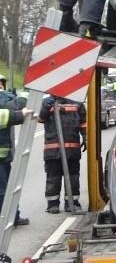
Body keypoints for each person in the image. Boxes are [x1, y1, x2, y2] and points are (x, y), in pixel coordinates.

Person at [39, 94, 87, 213]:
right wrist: (46, 106)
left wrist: (86, 137)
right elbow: (41, 119)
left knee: (73, 177)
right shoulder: (47, 102)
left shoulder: (77, 102)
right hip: (53, 150)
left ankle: (72, 202)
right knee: (53, 177)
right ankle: (52, 204)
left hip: (72, 149)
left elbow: (84, 123)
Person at [0, 74, 32, 227]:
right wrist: (20, 113)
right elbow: (7, 111)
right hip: (1, 155)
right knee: (4, 190)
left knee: (8, 188)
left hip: (4, 155)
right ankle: (8, 219)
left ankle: (12, 217)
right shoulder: (3, 99)